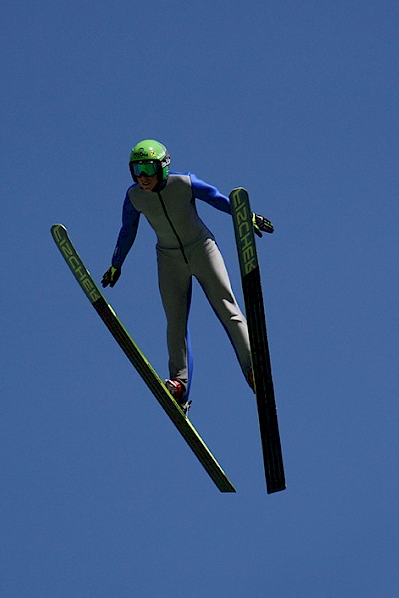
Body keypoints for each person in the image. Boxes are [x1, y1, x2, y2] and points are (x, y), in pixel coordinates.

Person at [101, 139, 273, 408]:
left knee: (227, 307)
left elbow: (217, 199)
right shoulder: (134, 196)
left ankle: (253, 369)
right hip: (169, 260)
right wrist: (116, 264)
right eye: (137, 170)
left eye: (148, 169)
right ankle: (178, 385)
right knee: (175, 323)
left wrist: (247, 216)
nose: (143, 177)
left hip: (202, 250)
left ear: (163, 167)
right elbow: (127, 230)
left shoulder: (184, 183)